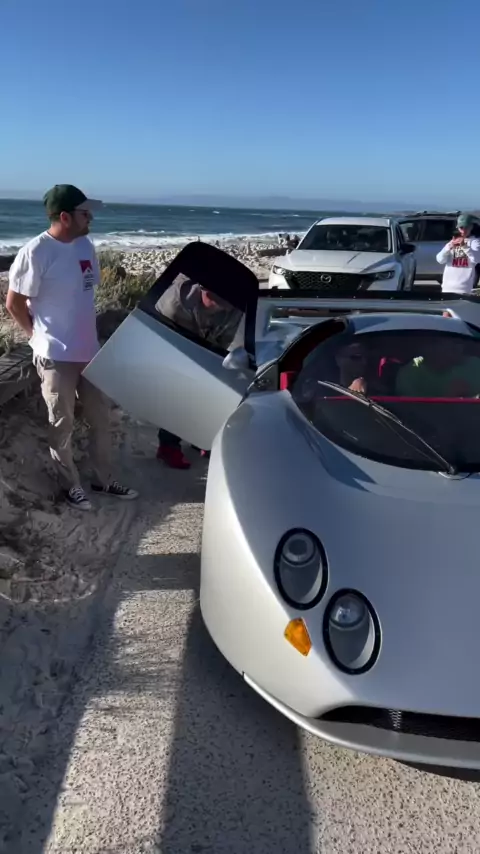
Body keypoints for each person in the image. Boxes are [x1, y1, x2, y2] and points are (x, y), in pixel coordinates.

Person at [6, 184, 138, 511]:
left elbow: (85, 293)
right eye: (84, 213)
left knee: (101, 420)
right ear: (64, 217)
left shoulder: (85, 245)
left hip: (89, 351)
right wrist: (34, 336)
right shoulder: (36, 252)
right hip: (55, 355)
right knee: (61, 423)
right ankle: (71, 486)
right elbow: (14, 303)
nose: (90, 217)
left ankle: (103, 479)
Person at [155, 274, 243, 468]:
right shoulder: (174, 305)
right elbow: (160, 339)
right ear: (205, 292)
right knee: (179, 394)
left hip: (204, 349)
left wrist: (212, 366)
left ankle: (200, 438)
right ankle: (168, 446)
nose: (226, 308)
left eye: (229, 303)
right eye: (220, 301)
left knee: (214, 389)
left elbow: (224, 340)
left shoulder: (233, 308)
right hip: (170, 349)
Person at [396, 336, 480, 397]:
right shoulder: (410, 373)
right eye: (452, 343)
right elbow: (409, 410)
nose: (458, 347)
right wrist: (449, 398)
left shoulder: (476, 365)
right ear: (428, 348)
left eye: (459, 342)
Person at [436, 213, 480, 294]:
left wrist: (464, 246)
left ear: (471, 227)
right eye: (461, 228)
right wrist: (448, 248)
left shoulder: (475, 242)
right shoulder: (452, 241)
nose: (463, 230)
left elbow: (476, 260)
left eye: (466, 227)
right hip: (447, 287)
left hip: (465, 288)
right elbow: (440, 260)